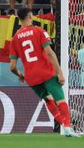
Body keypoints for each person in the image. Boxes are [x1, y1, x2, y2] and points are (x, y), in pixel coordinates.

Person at [9, 8, 79, 137]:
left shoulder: (15, 39)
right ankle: (68, 127)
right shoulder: (39, 31)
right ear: (30, 16)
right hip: (46, 72)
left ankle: (64, 126)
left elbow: (12, 67)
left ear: (19, 19)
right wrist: (60, 72)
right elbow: (50, 52)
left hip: (31, 77)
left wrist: (21, 75)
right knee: (60, 100)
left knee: (48, 100)